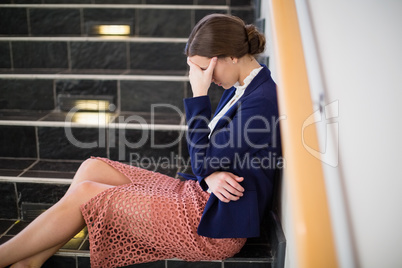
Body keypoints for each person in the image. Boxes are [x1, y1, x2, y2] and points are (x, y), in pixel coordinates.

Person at [0, 13, 281, 268]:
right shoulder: (244, 87)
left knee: (87, 193)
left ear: (232, 56)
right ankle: (30, 263)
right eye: (197, 70)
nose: (202, 77)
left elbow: (202, 161)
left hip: (214, 225)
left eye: (205, 68)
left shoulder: (262, 100)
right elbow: (210, 162)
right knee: (91, 168)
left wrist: (199, 97)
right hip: (200, 194)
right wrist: (209, 176)